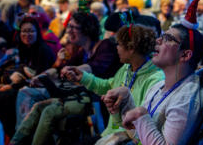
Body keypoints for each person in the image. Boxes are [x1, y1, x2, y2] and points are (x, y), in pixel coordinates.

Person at [102, 0, 203, 144]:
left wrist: (140, 114)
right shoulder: (158, 87)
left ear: (185, 54)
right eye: (162, 36)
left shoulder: (187, 98)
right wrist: (125, 103)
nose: (158, 41)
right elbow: (139, 137)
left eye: (168, 39)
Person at [11, 11, 122, 145]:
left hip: (97, 100)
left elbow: (94, 67)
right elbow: (60, 69)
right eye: (68, 27)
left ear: (87, 29)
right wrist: (43, 75)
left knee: (48, 110)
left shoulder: (105, 45)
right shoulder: (82, 51)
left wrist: (70, 69)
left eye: (72, 27)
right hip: (80, 95)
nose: (68, 31)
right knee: (38, 106)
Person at [61, 23, 164, 144]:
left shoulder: (155, 79)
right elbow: (108, 86)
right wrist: (82, 77)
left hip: (129, 138)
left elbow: (144, 122)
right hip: (110, 134)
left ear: (131, 48)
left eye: (119, 44)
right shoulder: (126, 67)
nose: (116, 48)